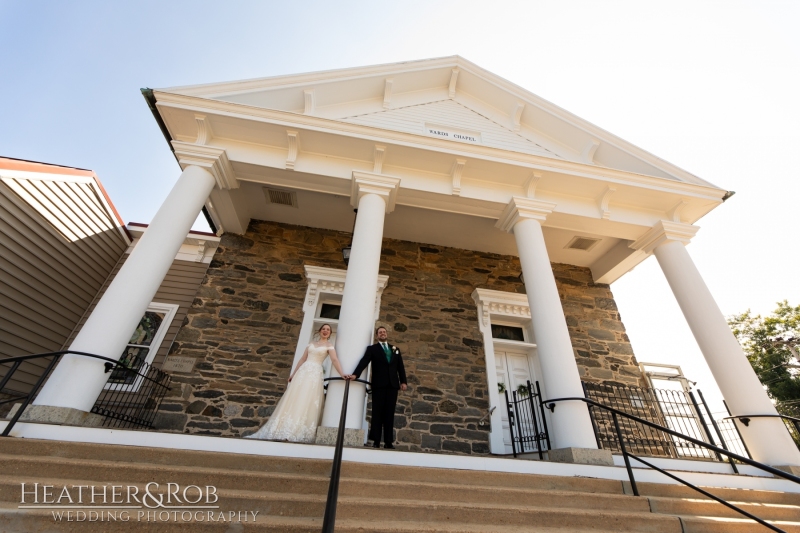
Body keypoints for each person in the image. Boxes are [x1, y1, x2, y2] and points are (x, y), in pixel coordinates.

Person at [245, 324, 348, 443]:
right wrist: (293, 374)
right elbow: (303, 359)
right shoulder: (311, 344)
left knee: (307, 398)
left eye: (328, 330)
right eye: (323, 329)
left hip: (314, 373)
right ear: (319, 331)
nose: (325, 331)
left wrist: (342, 374)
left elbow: (334, 360)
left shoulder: (329, 346)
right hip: (303, 372)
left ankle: (299, 430)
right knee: (294, 397)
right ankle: (282, 428)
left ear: (330, 333)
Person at [350, 326, 407, 449]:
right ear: (377, 335)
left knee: (389, 413)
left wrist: (403, 381)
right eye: (380, 332)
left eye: (384, 332)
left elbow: (400, 367)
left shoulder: (395, 349)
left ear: (386, 334)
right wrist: (355, 374)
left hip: (392, 385)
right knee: (377, 412)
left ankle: (388, 442)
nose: (382, 333)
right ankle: (376, 440)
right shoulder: (372, 349)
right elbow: (364, 362)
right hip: (379, 385)